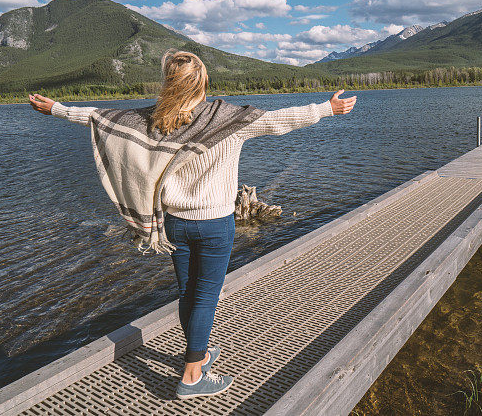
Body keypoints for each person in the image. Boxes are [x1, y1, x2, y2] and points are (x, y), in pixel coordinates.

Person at [28, 49, 356, 399]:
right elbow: (281, 120)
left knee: (189, 293)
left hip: (175, 225)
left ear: (170, 83)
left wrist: (55, 109)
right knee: (206, 298)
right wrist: (326, 108)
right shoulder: (227, 118)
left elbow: (100, 117)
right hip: (215, 224)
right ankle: (192, 375)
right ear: (204, 81)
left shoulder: (156, 120)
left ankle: (196, 353)